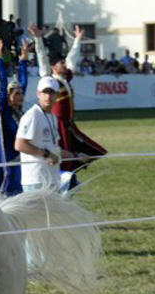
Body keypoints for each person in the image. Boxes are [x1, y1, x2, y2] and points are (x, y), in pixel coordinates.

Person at [33, 24, 106, 191]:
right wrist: (38, 39)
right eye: (60, 63)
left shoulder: (65, 79)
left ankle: (69, 178)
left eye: (63, 62)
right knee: (64, 154)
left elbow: (72, 59)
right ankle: (63, 181)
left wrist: (78, 40)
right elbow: (42, 58)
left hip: (68, 125)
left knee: (90, 151)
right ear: (53, 67)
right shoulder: (50, 80)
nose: (64, 64)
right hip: (57, 126)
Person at [0, 37, 30, 197]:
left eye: (21, 93)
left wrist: (24, 59)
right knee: (1, 193)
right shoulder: (3, 110)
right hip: (3, 156)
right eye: (17, 94)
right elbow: (3, 84)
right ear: (9, 96)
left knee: (18, 193)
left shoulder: (19, 112)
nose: (21, 96)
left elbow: (23, 82)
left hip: (17, 158)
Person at [14, 75, 65, 192]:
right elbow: (19, 145)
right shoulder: (32, 115)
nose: (48, 97)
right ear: (38, 94)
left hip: (51, 178)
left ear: (57, 95)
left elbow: (53, 148)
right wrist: (46, 154)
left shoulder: (52, 117)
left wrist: (77, 156)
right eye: (44, 92)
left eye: (52, 93)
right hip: (36, 179)